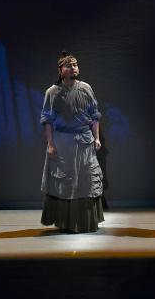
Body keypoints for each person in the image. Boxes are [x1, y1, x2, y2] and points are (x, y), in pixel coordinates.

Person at [40, 51, 104, 233]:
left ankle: (86, 221)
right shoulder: (52, 92)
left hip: (84, 141)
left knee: (87, 181)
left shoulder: (86, 88)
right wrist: (50, 144)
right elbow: (47, 120)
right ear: (60, 70)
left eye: (75, 65)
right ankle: (66, 222)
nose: (73, 68)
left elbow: (94, 115)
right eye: (68, 65)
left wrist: (97, 138)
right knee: (66, 182)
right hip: (63, 143)